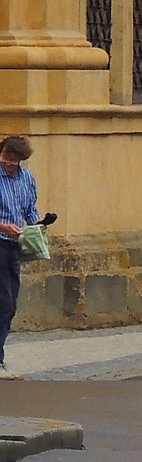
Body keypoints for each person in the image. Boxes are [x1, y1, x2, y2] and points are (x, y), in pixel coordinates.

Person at [0, 134, 43, 381]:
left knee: (10, 305)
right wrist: (3, 226)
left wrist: (38, 224)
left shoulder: (27, 179)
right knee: (4, 303)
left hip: (15, 248)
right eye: (5, 157)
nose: (7, 163)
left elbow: (29, 211)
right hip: (0, 243)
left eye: (13, 160)